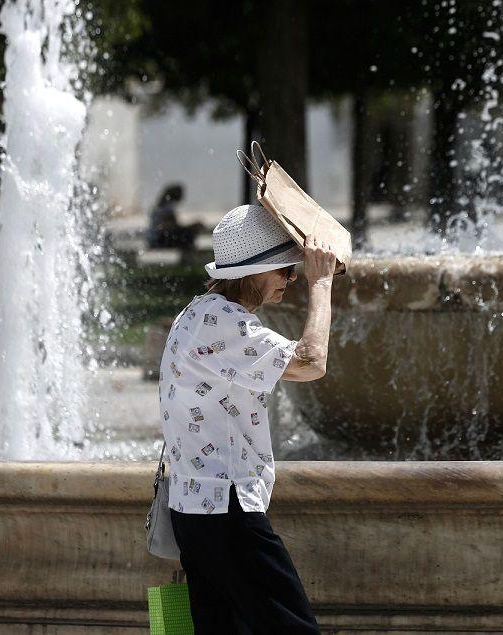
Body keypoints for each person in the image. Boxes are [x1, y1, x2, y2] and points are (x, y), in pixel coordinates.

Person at [158, 203, 335, 634]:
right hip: (226, 509)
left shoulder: (196, 312)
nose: (290, 282)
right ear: (253, 271)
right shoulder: (222, 323)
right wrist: (322, 284)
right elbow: (312, 361)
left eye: (294, 273)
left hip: (194, 508)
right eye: (284, 272)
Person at [146, 183, 205, 249]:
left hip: (155, 239)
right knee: (188, 235)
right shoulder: (167, 208)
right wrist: (191, 227)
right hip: (158, 241)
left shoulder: (161, 206)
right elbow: (169, 226)